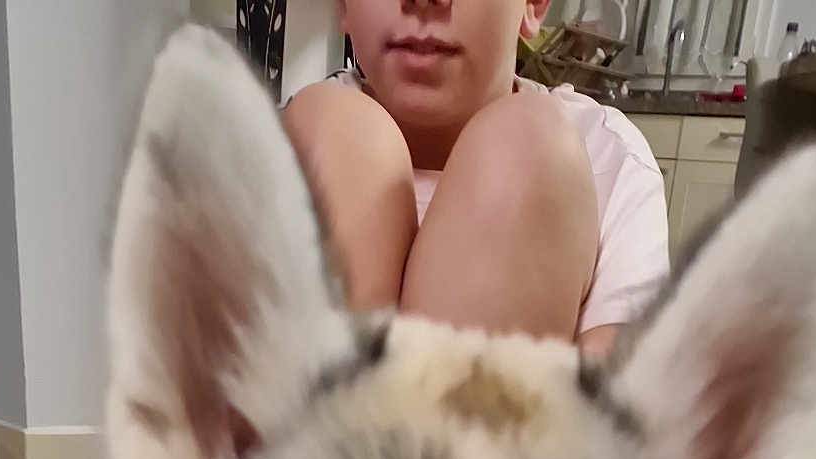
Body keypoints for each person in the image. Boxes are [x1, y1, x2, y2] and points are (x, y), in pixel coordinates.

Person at [282, 0, 670, 357]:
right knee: (330, 131)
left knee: (528, 145)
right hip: (301, 424)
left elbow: (620, 401)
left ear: (533, 4)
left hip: (516, 428)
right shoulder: (284, 140)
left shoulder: (603, 154)